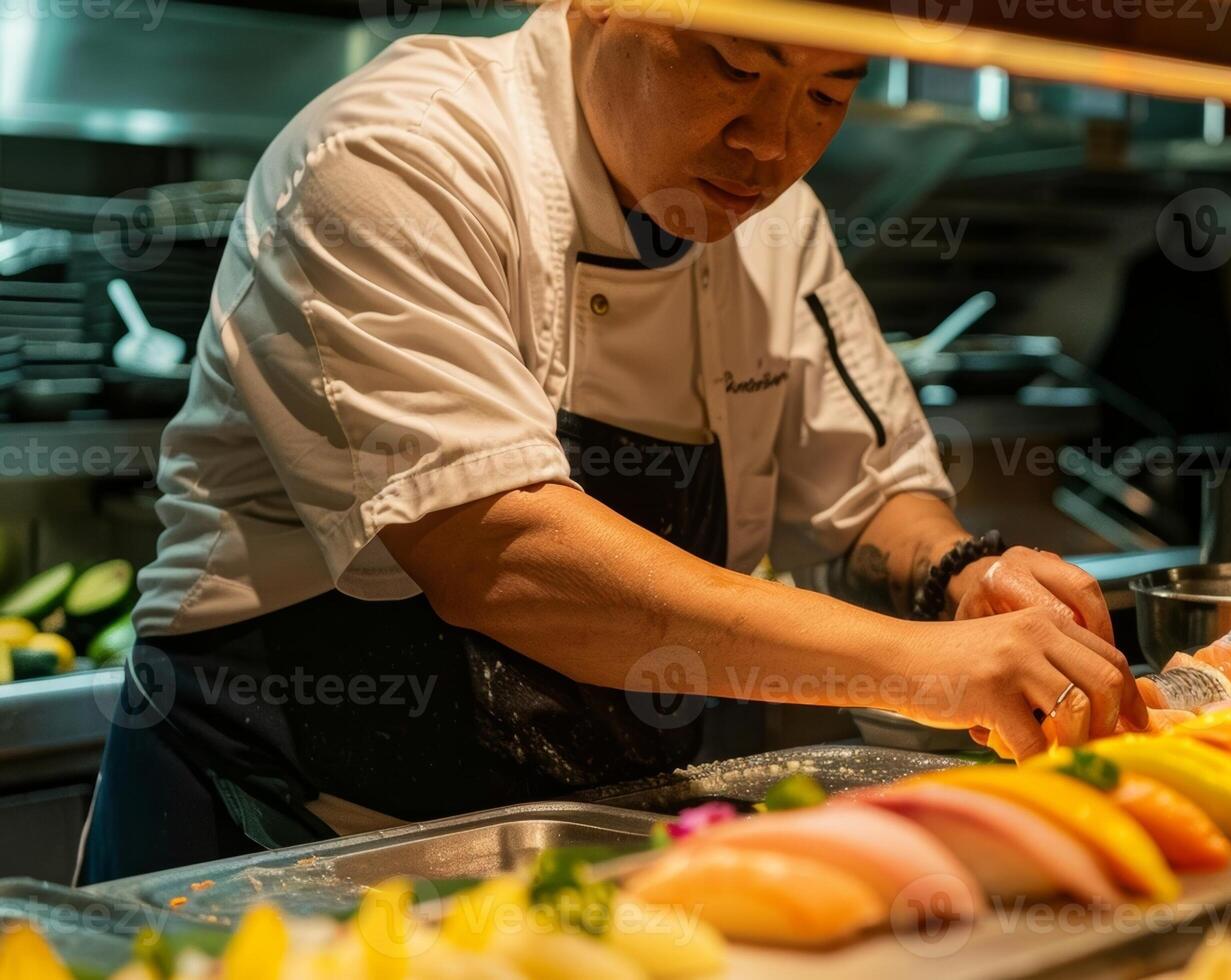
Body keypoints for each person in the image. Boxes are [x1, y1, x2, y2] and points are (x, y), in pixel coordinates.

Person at [79, 0, 1142, 882]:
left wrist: (962, 578)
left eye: (828, 94)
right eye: (734, 67)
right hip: (288, 844)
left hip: (587, 853)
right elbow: (508, 558)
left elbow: (871, 495)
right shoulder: (394, 156)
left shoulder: (771, 219)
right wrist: (926, 668)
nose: (772, 143)